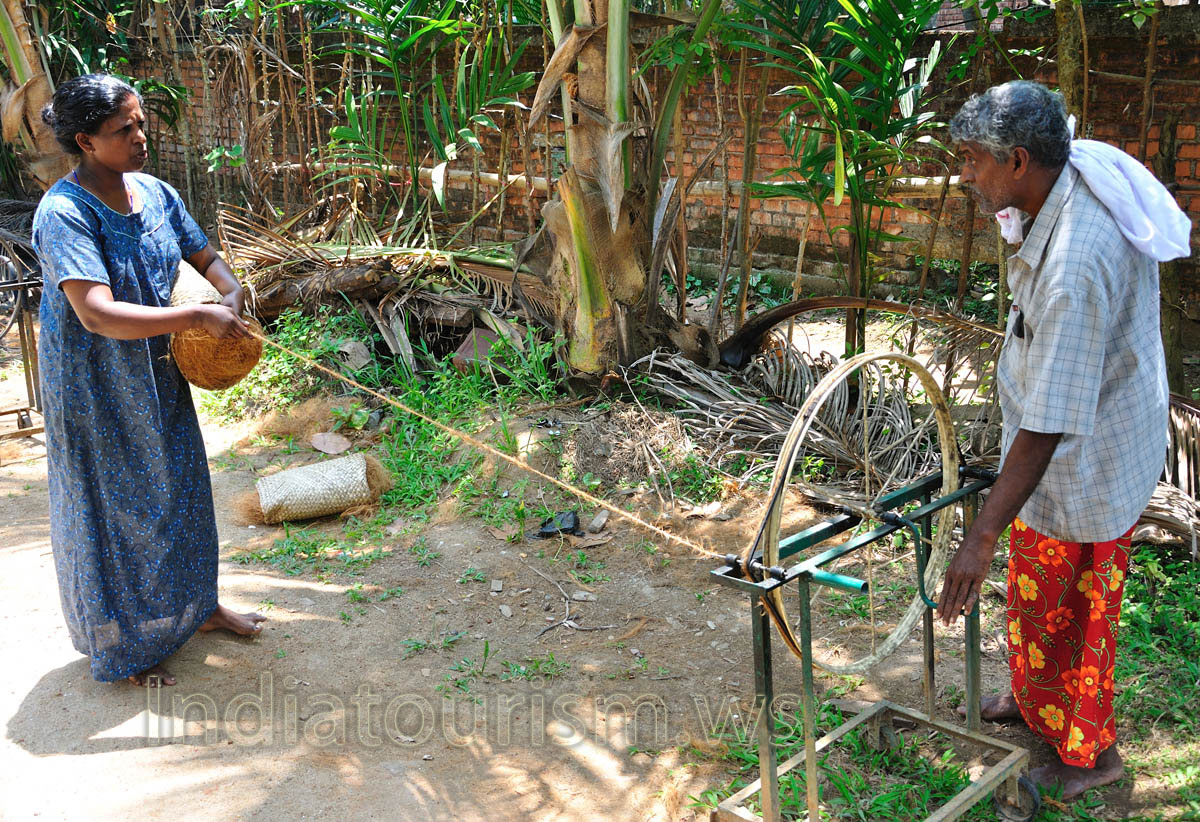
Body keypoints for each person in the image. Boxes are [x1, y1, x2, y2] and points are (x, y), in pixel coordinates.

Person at [936, 81, 1172, 800]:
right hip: (1075, 428)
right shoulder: (1065, 169)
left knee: (1079, 604)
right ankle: (1038, 702)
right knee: (1041, 590)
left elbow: (1046, 428)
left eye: (974, 161)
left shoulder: (1076, 263)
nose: (966, 175)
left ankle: (1088, 753)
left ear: (1016, 160)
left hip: (1089, 452)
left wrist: (978, 538)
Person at [34, 74, 266, 688]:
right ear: (85, 140)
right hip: (93, 385)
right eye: (123, 130)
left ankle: (199, 608)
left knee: (181, 486)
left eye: (140, 123)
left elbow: (201, 252)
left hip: (157, 373)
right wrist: (195, 315)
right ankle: (129, 644)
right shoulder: (64, 214)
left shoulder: (156, 193)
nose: (141, 138)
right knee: (116, 509)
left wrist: (228, 287)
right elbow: (96, 313)